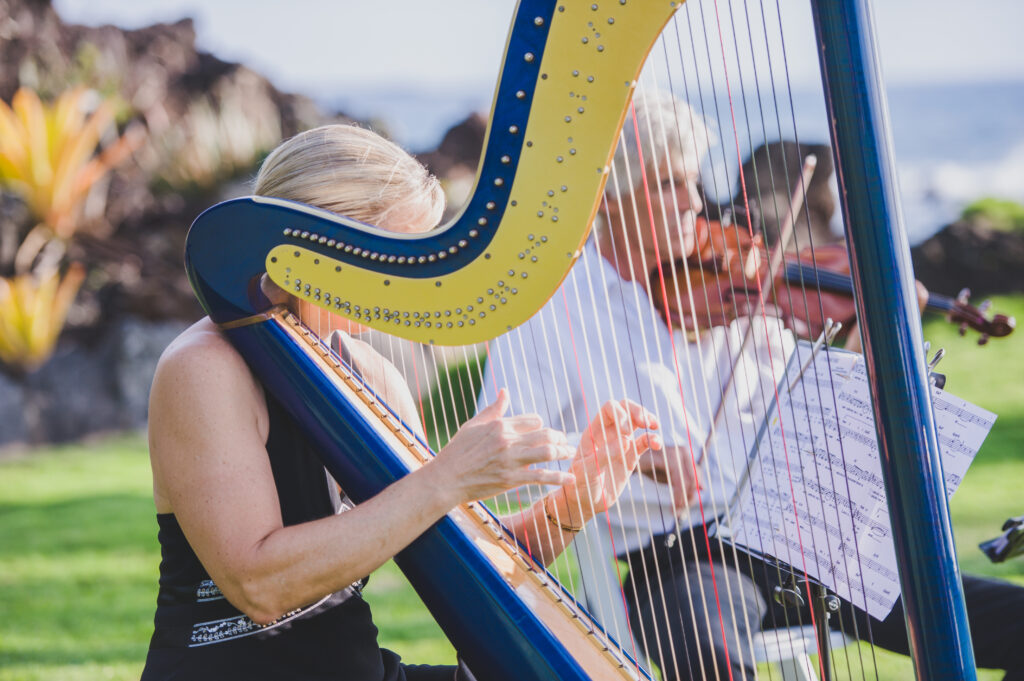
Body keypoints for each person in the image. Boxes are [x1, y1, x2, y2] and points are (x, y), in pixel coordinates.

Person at [478, 89, 1024, 680]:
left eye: (693, 180)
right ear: (609, 196)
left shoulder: (736, 286)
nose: (694, 201)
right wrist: (626, 453)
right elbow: (507, 453)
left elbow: (809, 412)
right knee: (708, 652)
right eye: (666, 184)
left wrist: (874, 328)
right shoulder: (554, 310)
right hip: (681, 553)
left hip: (802, 541)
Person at [139, 124, 664, 681]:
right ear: (316, 246)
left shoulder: (371, 376)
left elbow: (464, 563)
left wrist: (571, 504)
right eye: (395, 258)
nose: (406, 281)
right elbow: (260, 586)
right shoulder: (203, 369)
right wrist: (446, 479)